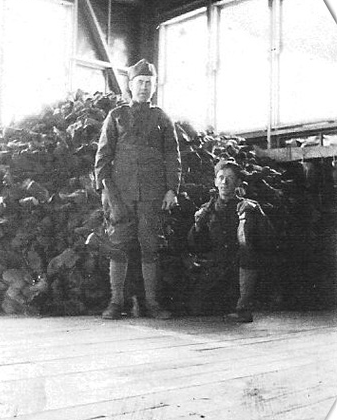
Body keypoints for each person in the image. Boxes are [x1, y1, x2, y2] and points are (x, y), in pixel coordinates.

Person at [94, 58, 182, 319]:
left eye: (149, 83)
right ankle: (116, 302)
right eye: (140, 82)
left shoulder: (161, 118)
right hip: (121, 195)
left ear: (154, 87)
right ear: (131, 86)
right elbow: (102, 157)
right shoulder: (116, 116)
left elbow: (172, 155)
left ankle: (152, 303)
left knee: (150, 247)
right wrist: (106, 193)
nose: (144, 87)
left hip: (153, 196)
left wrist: (172, 189)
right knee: (118, 248)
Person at [187, 160, 275, 323]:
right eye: (220, 177)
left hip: (240, 269)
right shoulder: (207, 210)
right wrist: (197, 226)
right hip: (217, 269)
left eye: (229, 178)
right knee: (197, 308)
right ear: (215, 181)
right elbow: (196, 246)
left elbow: (268, 239)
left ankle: (243, 306)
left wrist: (257, 212)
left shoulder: (249, 207)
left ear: (238, 183)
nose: (224, 182)